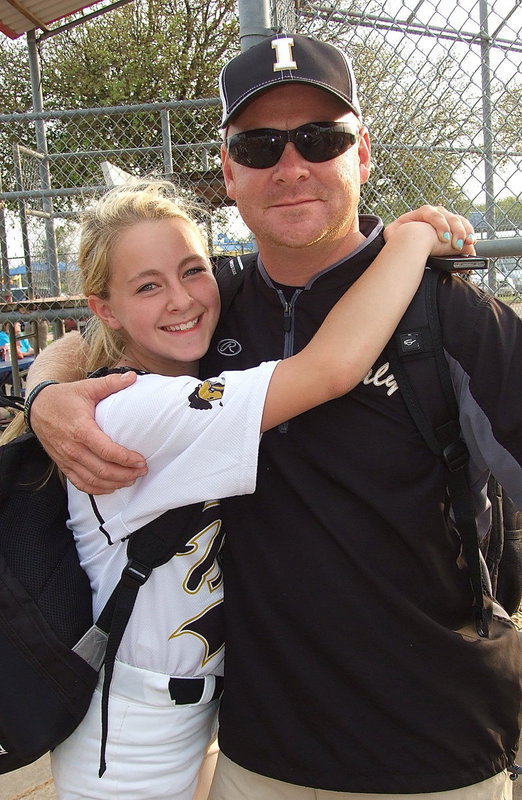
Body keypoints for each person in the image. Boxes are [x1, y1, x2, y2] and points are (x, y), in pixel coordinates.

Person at [25, 33, 521, 800]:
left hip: (436, 746)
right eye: (259, 146)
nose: (291, 167)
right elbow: (86, 342)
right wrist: (46, 396)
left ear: (361, 156)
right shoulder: (203, 306)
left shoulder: (451, 314)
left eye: (321, 139)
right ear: (228, 172)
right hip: (259, 753)